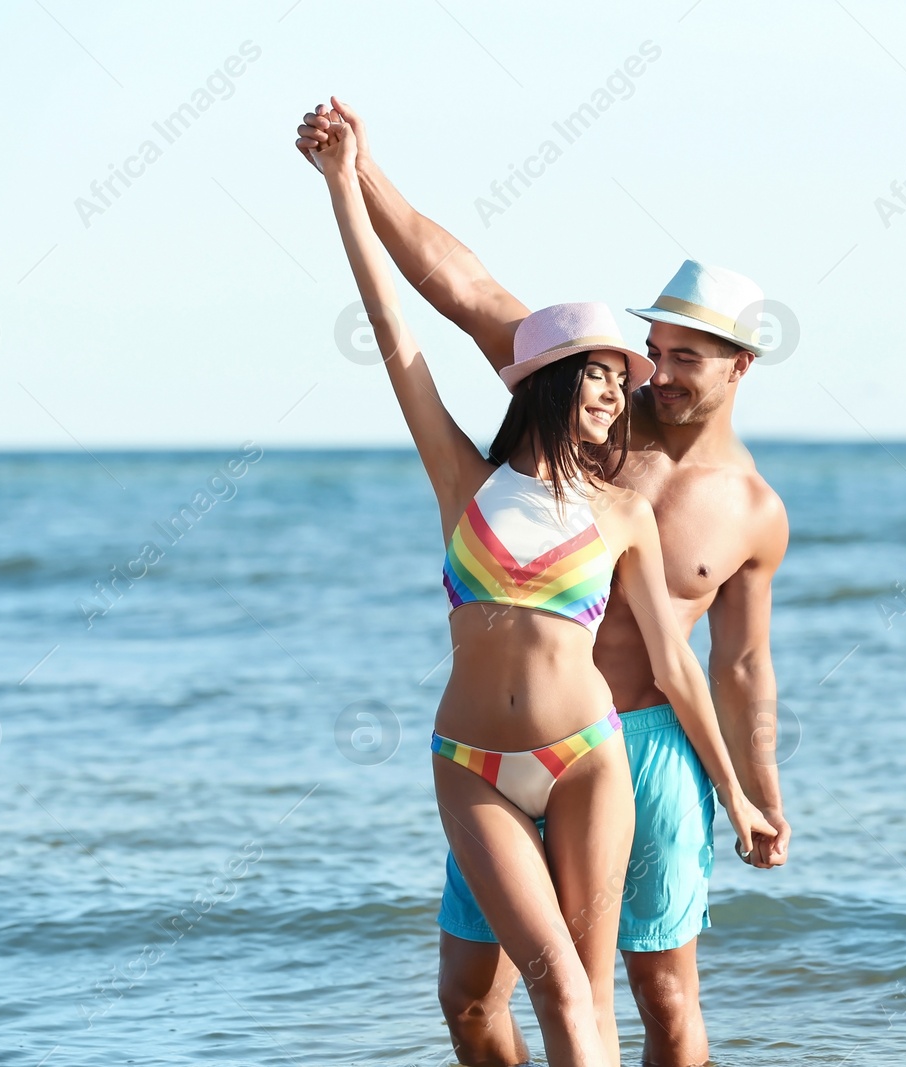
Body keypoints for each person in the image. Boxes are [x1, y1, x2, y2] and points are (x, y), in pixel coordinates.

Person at [300, 99, 794, 1067]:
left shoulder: (721, 508)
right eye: (640, 354)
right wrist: (353, 177)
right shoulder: (537, 439)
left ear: (738, 368)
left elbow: (730, 667)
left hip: (624, 749)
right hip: (480, 749)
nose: (648, 375)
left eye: (679, 357)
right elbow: (441, 293)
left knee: (626, 992)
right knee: (477, 1000)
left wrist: (751, 795)